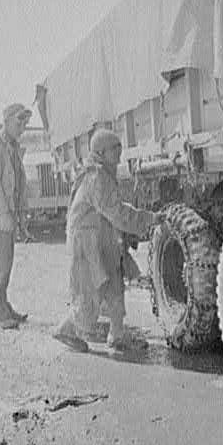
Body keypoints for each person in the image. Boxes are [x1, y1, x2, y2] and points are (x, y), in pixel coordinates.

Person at [53, 129, 164, 352]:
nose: (119, 153)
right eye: (115, 149)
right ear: (101, 151)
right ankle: (67, 329)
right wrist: (149, 219)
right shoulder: (97, 177)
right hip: (86, 241)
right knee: (91, 290)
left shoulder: (103, 173)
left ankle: (117, 334)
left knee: (114, 284)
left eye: (119, 147)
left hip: (101, 236)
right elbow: (118, 213)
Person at [0, 103, 32, 329]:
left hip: (8, 212)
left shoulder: (11, 146)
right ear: (7, 121)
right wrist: (3, 213)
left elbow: (17, 182)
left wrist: (18, 212)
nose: (23, 126)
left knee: (6, 262)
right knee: (0, 263)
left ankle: (1, 304)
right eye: (19, 121)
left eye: (25, 122)